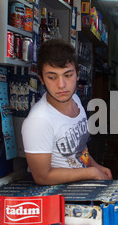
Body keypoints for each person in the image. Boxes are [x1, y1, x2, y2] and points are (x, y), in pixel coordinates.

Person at [21, 39, 112, 185]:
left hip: (83, 190)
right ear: (41, 79)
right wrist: (91, 172)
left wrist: (94, 165)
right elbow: (42, 177)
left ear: (77, 74)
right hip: (62, 200)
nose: (61, 85)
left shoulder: (75, 100)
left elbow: (79, 147)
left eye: (68, 75)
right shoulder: (38, 121)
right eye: (52, 77)